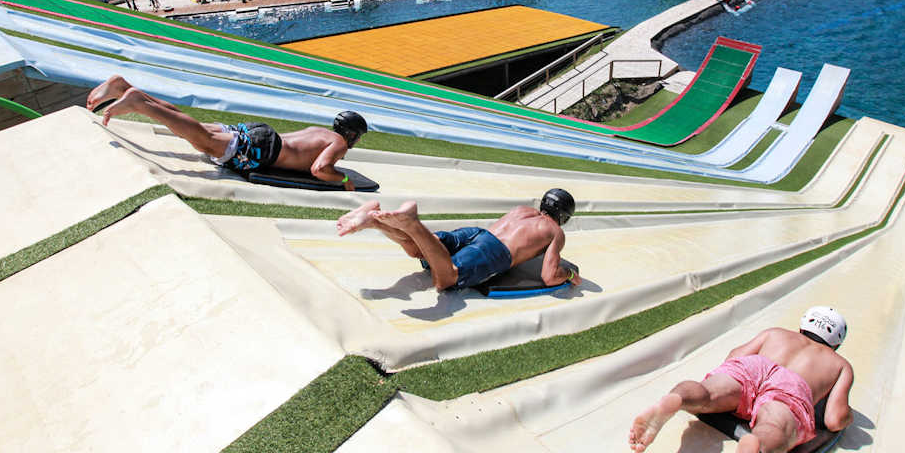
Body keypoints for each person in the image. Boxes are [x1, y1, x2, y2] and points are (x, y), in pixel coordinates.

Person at [628, 307, 854, 453]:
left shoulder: (776, 333)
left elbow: (733, 357)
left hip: (755, 366)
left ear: (802, 327)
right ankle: (756, 446)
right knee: (775, 426)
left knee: (707, 393)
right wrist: (848, 416)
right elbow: (834, 419)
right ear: (836, 344)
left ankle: (677, 399)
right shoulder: (840, 364)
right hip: (791, 387)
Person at [86, 75, 369, 190]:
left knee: (189, 125)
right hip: (262, 149)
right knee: (201, 140)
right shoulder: (339, 143)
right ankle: (137, 102)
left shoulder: (321, 131)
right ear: (352, 134)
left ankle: (123, 88)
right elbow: (321, 169)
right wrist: (343, 179)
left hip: (260, 136)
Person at [336, 189, 582, 292]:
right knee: (446, 278)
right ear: (563, 216)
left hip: (477, 234)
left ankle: (373, 220)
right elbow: (550, 276)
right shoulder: (555, 232)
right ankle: (412, 223)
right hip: (494, 251)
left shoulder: (522, 210)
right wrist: (569, 275)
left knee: (419, 251)